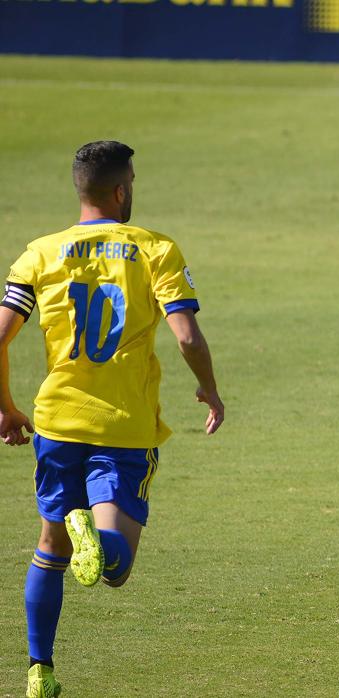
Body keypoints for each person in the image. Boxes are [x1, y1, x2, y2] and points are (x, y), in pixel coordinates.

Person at [0, 141, 225, 698]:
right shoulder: (154, 249)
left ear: (81, 189)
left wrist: (5, 406)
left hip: (57, 421)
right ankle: (95, 541)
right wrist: (211, 390)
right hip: (124, 427)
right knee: (114, 567)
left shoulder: (40, 253)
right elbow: (187, 334)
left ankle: (39, 670)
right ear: (122, 190)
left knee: (49, 546)